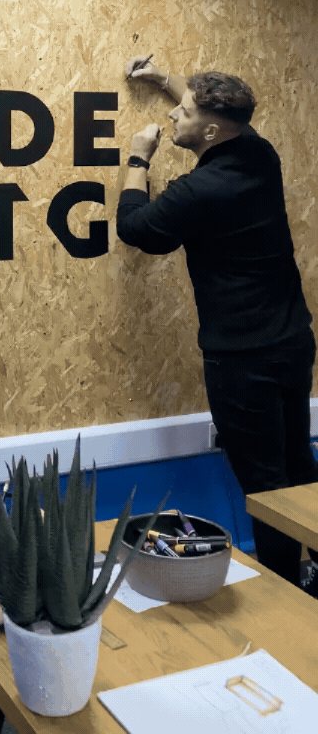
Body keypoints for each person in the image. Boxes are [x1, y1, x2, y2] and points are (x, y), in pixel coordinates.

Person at [116, 56, 318, 590]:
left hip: (242, 359)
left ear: (209, 132)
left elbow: (136, 228)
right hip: (292, 341)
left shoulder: (200, 191)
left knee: (265, 483)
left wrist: (138, 158)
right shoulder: (258, 153)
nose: (173, 115)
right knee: (299, 464)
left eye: (182, 112)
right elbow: (208, 110)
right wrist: (164, 79)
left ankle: (284, 591)